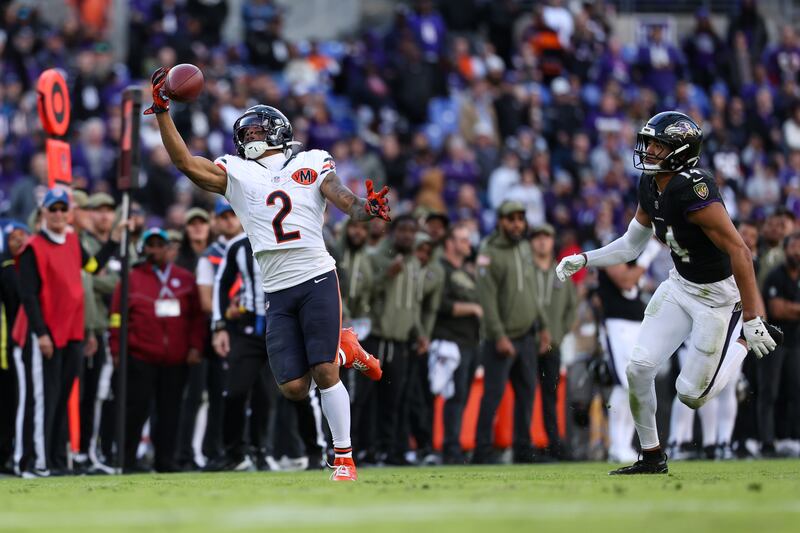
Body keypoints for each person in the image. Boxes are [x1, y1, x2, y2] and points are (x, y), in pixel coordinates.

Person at [146, 68, 386, 481]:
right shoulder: (236, 173)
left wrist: (366, 207)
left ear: (277, 131)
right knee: (292, 387)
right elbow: (185, 163)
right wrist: (163, 110)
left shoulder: (311, 161)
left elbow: (342, 197)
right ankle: (346, 350)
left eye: (258, 130)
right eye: (246, 132)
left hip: (315, 276)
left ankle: (344, 458)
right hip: (276, 289)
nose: (251, 137)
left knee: (325, 373)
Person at [557, 111, 781, 475]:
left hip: (718, 298)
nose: (648, 150)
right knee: (638, 368)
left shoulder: (694, 189)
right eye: (648, 142)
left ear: (680, 151)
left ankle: (739, 344)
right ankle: (651, 455)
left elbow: (740, 250)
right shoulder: (649, 185)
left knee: (691, 395)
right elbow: (631, 245)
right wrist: (585, 259)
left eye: (657, 144)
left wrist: (754, 317)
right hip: (680, 285)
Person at [13, 188, 121, 476]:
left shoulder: (73, 241)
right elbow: (29, 296)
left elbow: (94, 266)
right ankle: (33, 462)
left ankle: (57, 460)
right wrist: (42, 333)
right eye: (54, 209)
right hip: (44, 335)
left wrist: (113, 241)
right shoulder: (33, 248)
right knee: (40, 400)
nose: (59, 214)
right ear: (43, 213)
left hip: (72, 333)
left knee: (61, 397)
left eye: (63, 209)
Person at [109, 228, 206, 472]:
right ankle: (127, 460)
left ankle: (166, 460)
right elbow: (116, 318)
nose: (155, 250)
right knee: (135, 410)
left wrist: (195, 346)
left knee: (170, 412)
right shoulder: (131, 279)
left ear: (168, 248)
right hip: (141, 355)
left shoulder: (184, 278)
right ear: (144, 249)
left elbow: (196, 317)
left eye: (159, 245)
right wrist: (116, 350)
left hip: (176, 357)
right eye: (150, 245)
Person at [473, 200, 551, 464]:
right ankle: (482, 452)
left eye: (520, 218)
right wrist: (499, 335)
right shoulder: (488, 251)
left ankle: (522, 450)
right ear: (500, 221)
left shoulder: (524, 248)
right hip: (501, 338)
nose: (517, 223)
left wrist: (543, 327)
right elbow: (487, 299)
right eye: (511, 219)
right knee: (493, 396)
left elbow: (532, 291)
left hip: (527, 335)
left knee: (527, 394)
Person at [594, 231, 661, 464]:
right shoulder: (612, 251)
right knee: (624, 384)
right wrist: (649, 255)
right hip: (617, 325)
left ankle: (626, 443)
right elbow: (625, 281)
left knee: (636, 384)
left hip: (636, 325)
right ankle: (617, 444)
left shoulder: (635, 257)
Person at [431, 223, 482, 464]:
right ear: (449, 243)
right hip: (448, 340)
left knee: (461, 395)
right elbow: (439, 304)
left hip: (469, 341)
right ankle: (447, 448)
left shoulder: (465, 272)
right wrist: (472, 308)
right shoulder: (441, 269)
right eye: (462, 239)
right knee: (451, 395)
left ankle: (453, 444)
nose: (468, 244)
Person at [530, 223, 578, 460]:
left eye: (546, 237)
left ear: (552, 242)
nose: (542, 242)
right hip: (526, 342)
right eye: (537, 237)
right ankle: (525, 443)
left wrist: (557, 334)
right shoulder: (525, 271)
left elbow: (572, 308)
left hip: (553, 346)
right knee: (524, 394)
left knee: (551, 396)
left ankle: (552, 445)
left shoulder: (561, 273)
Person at [759, 232, 800, 457]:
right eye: (793, 248)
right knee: (769, 392)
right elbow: (776, 310)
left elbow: (785, 309)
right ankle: (766, 442)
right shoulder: (776, 276)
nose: (797, 252)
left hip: (795, 342)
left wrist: (789, 308)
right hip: (773, 343)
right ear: (785, 251)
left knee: (795, 391)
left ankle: (791, 438)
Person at [0, 222, 29, 474]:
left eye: (22, 236)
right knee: (12, 404)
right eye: (12, 238)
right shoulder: (8, 271)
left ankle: (13, 454)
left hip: (20, 345)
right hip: (10, 347)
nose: (17, 241)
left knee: (18, 404)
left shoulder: (24, 269)